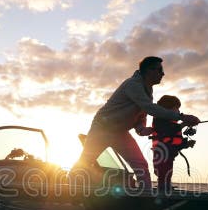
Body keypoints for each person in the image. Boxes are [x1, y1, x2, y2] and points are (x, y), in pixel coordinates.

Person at [75, 56, 200, 190]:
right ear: (148, 71)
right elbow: (149, 107)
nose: (163, 73)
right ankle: (66, 192)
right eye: (159, 70)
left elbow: (141, 114)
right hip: (102, 129)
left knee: (140, 164)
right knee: (85, 163)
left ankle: (145, 197)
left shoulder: (148, 90)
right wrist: (182, 116)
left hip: (120, 133)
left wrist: (142, 129)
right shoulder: (132, 84)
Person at [150, 95, 196, 192]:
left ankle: (165, 188)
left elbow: (174, 142)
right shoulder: (159, 119)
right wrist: (184, 124)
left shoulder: (172, 123)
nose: (179, 111)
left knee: (167, 173)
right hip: (161, 154)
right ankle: (163, 191)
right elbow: (168, 131)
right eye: (177, 108)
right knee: (164, 173)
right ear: (168, 109)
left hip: (168, 155)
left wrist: (187, 144)